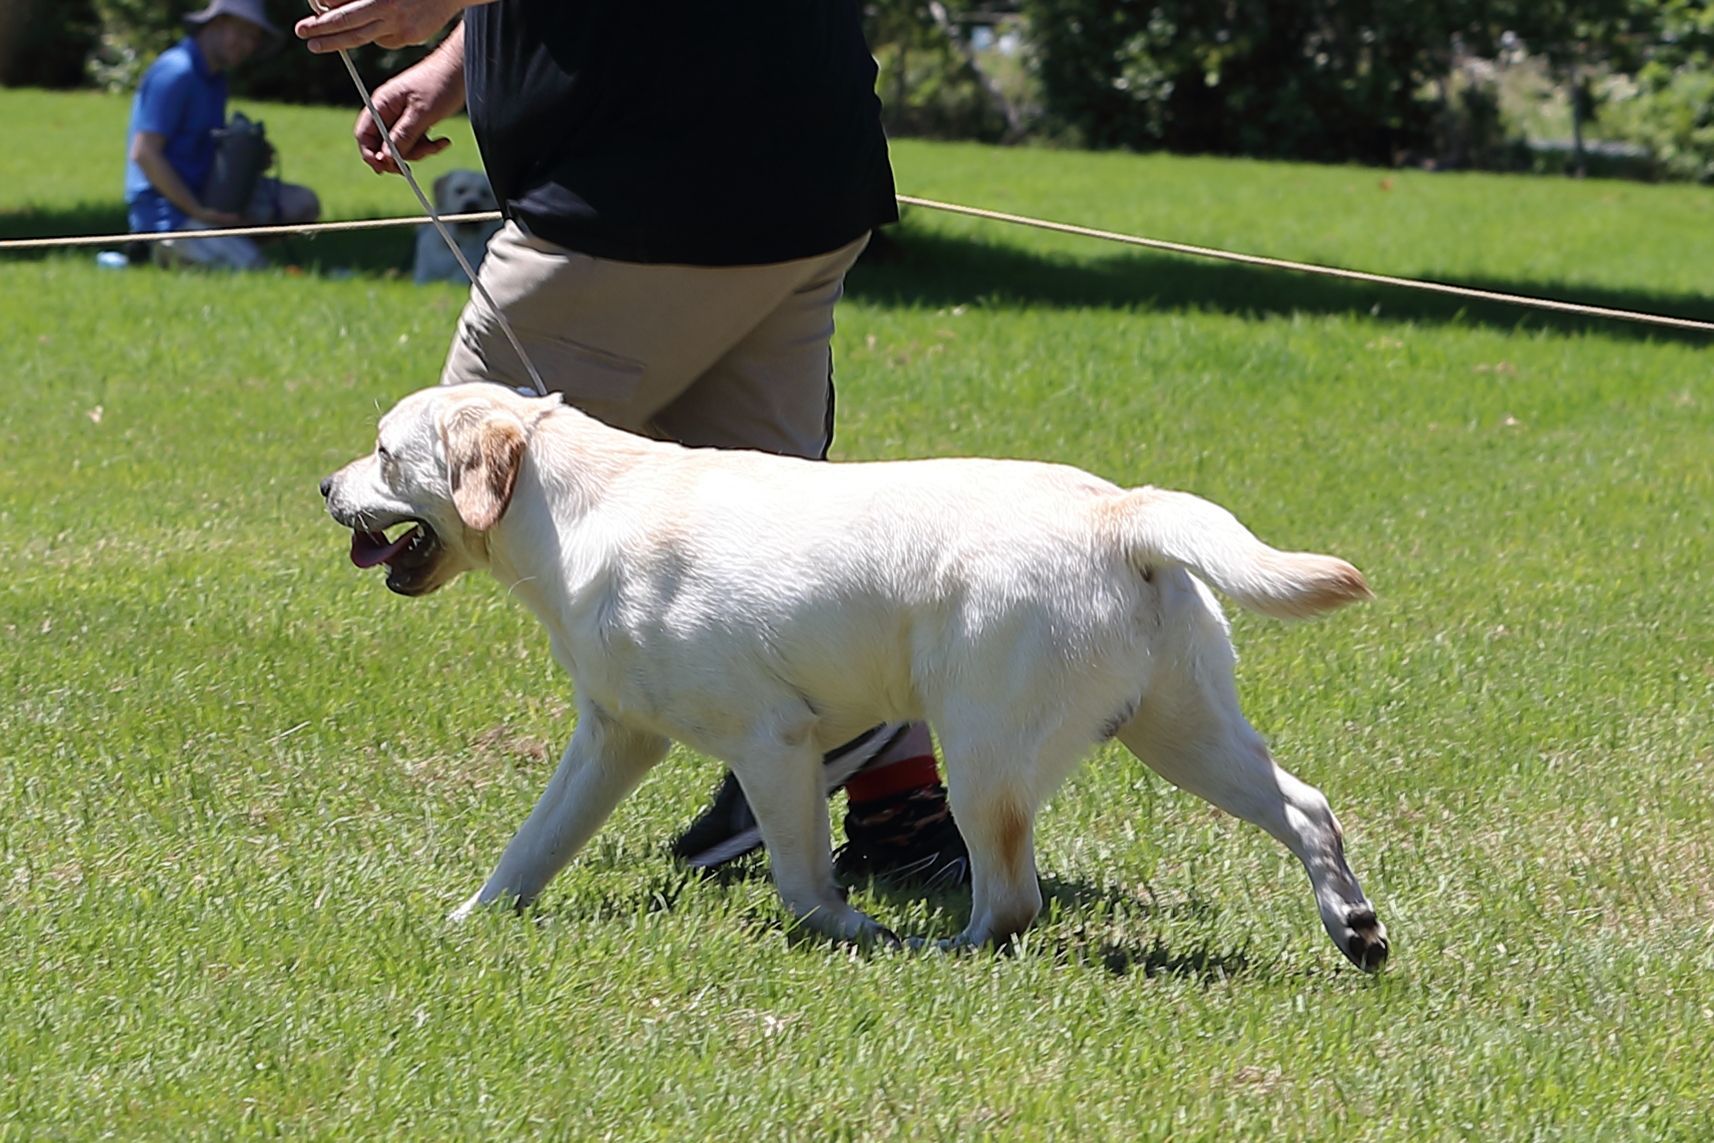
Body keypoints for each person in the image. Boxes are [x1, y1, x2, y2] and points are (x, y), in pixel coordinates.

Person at [296, 0, 970, 886]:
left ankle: (839, 720)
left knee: (461, 458)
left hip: (638, 199)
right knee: (783, 538)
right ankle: (904, 818)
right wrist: (459, 59)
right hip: (799, 170)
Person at [125, 0, 321, 270]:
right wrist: (197, 211)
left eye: (254, 38)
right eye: (242, 33)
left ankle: (223, 247)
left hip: (210, 199)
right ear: (216, 24)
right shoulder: (176, 71)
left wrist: (248, 159)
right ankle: (158, 253)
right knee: (257, 273)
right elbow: (145, 153)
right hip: (169, 216)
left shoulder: (216, 79)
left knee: (302, 204)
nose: (248, 45)